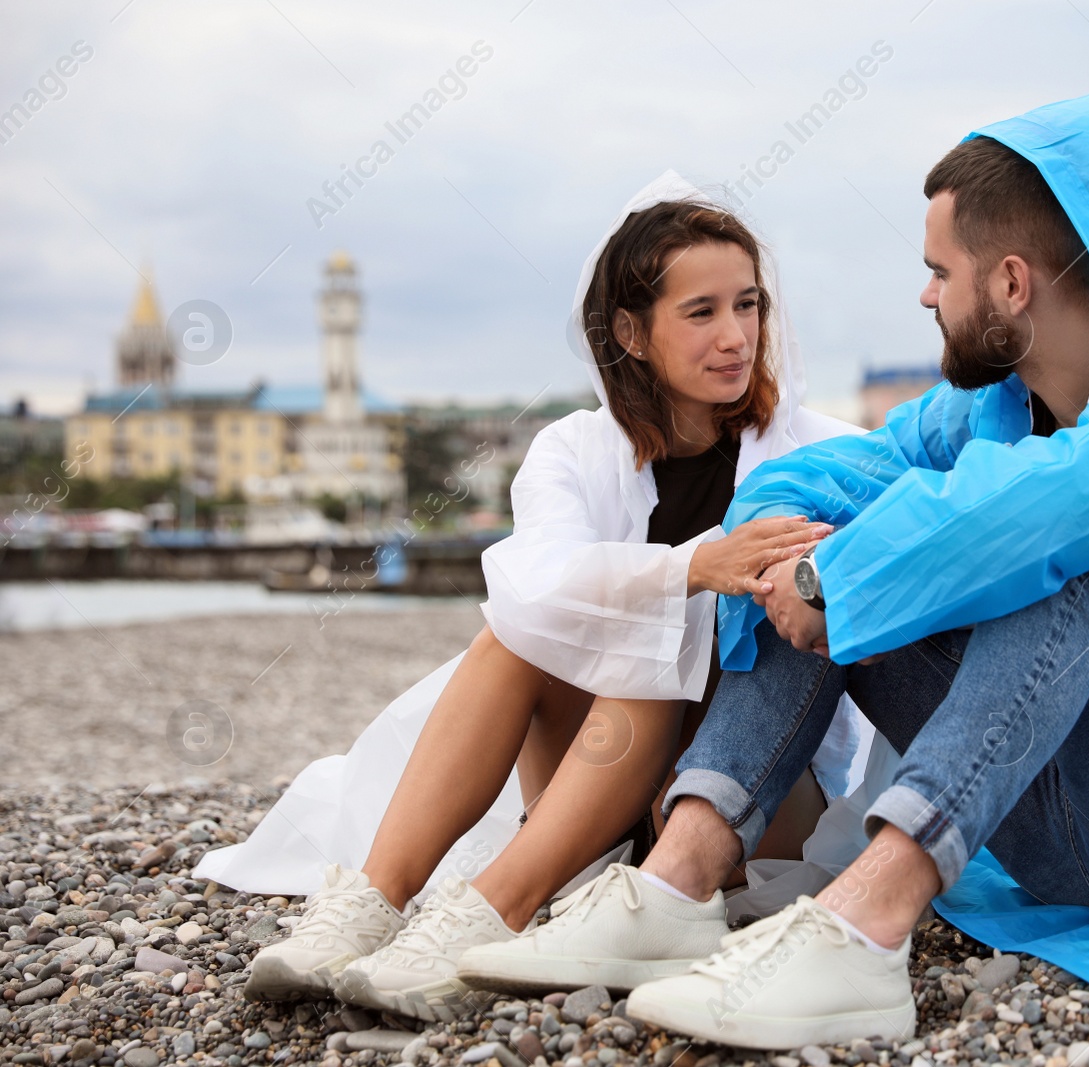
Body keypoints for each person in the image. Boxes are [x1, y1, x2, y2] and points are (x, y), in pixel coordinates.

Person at [453, 92, 1089, 1045]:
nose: (923, 296)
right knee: (812, 538)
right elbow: (830, 473)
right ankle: (675, 879)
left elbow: (1048, 510)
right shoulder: (986, 405)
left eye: (939, 273)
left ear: (1009, 282)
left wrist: (842, 579)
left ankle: (864, 929)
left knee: (1060, 558)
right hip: (1058, 839)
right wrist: (799, 556)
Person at [199, 171, 871, 1023]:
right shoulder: (573, 449)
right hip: (587, 781)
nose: (737, 336)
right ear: (630, 331)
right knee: (514, 636)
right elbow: (530, 585)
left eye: (749, 305)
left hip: (738, 804)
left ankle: (492, 910)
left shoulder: (824, 452)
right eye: (702, 313)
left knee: (645, 641)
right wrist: (692, 567)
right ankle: (372, 902)